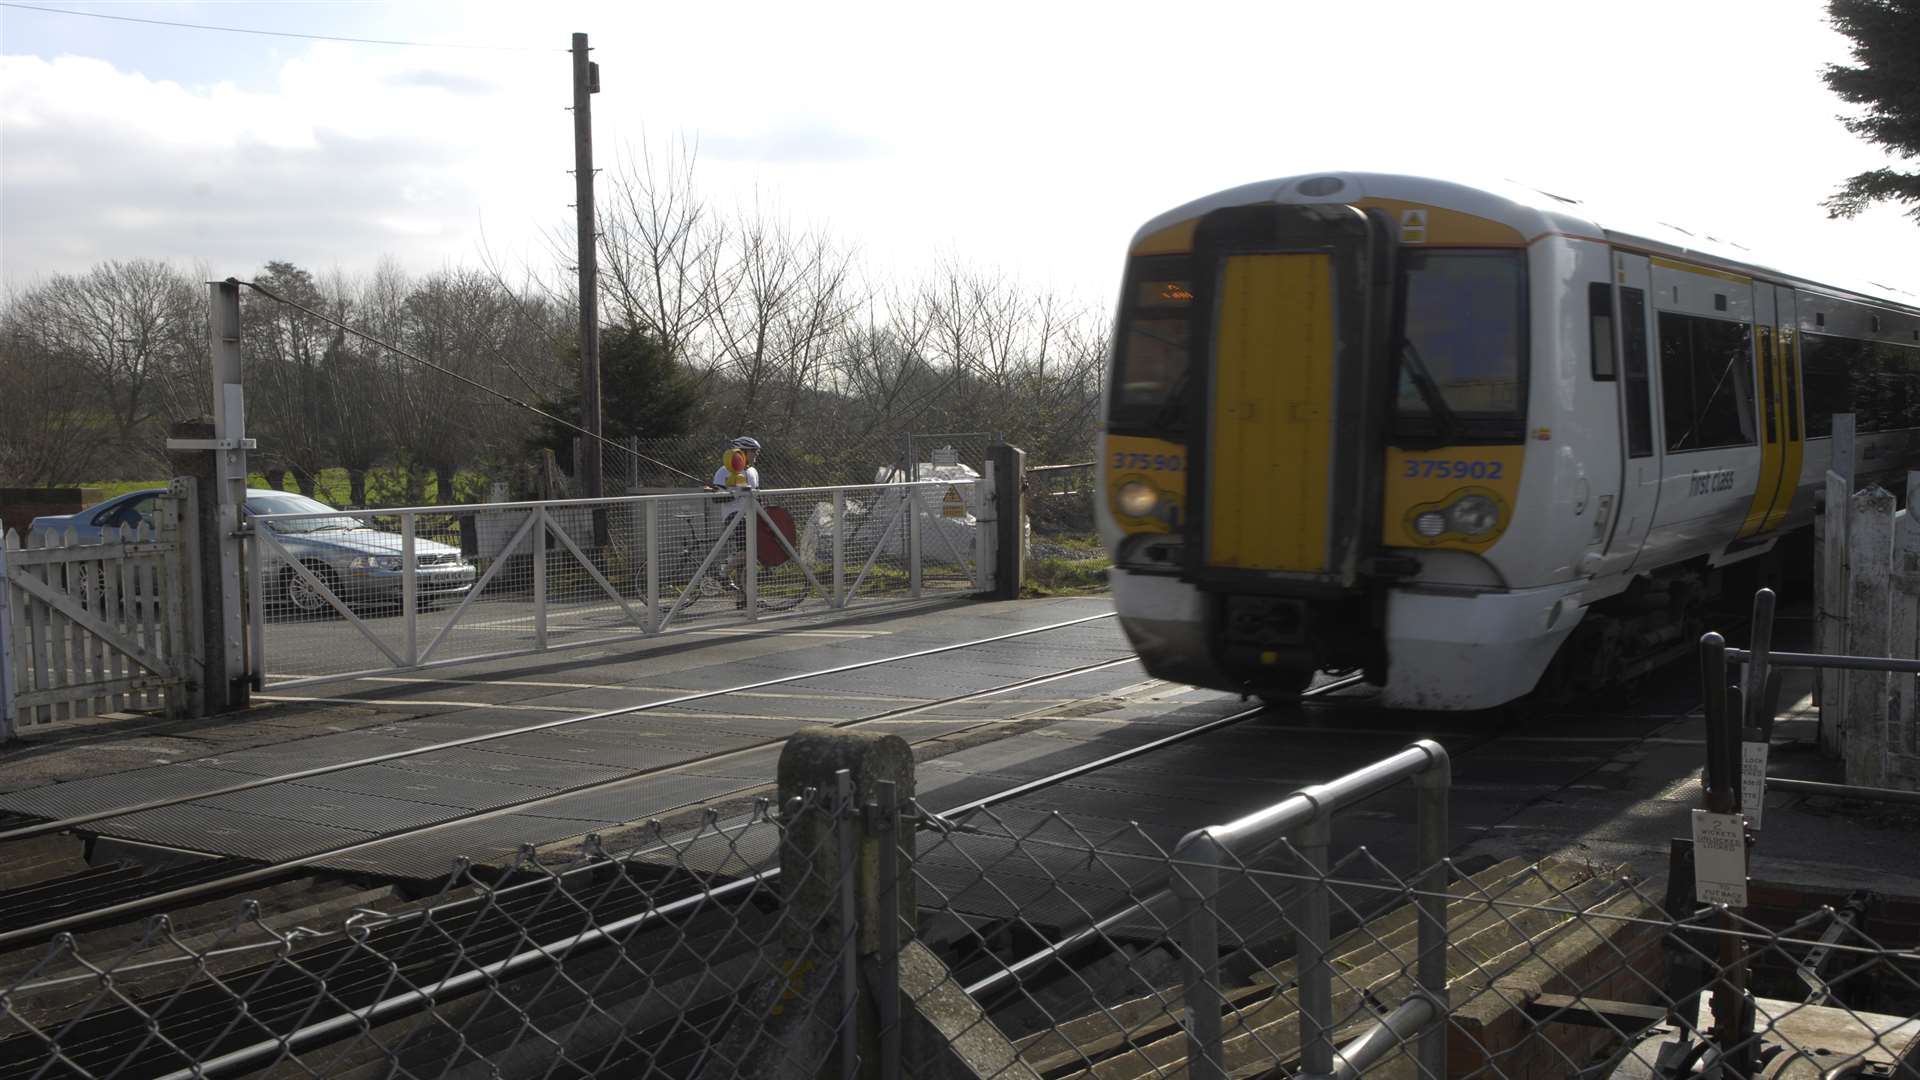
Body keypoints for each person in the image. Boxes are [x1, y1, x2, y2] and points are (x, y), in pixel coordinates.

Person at [706, 436, 761, 602]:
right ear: (742, 452)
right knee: (750, 551)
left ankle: (742, 598)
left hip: (751, 515)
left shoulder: (752, 471)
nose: (756, 455)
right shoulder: (724, 471)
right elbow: (717, 498)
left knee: (746, 559)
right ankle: (722, 572)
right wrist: (734, 492)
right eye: (753, 451)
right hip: (734, 517)